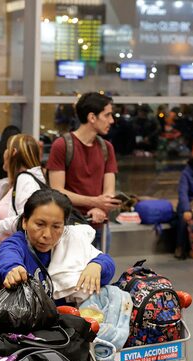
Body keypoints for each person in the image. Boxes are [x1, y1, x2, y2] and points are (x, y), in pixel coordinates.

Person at [0, 189, 115, 304]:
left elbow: (107, 262)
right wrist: (13, 270)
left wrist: (96, 266)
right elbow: (8, 257)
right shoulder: (16, 245)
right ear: (25, 222)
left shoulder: (70, 240)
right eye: (40, 224)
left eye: (56, 226)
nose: (47, 235)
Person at [46, 93, 122, 251]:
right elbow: (57, 191)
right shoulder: (62, 146)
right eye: (107, 115)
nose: (112, 120)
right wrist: (95, 202)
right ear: (92, 117)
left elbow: (109, 191)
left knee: (99, 273)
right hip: (70, 227)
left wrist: (100, 208)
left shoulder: (107, 148)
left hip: (100, 226)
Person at [0, 133, 46, 245]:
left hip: (15, 252)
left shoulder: (26, 181)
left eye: (7, 149)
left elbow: (28, 219)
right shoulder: (16, 182)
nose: (4, 152)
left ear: (13, 152)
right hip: (7, 249)